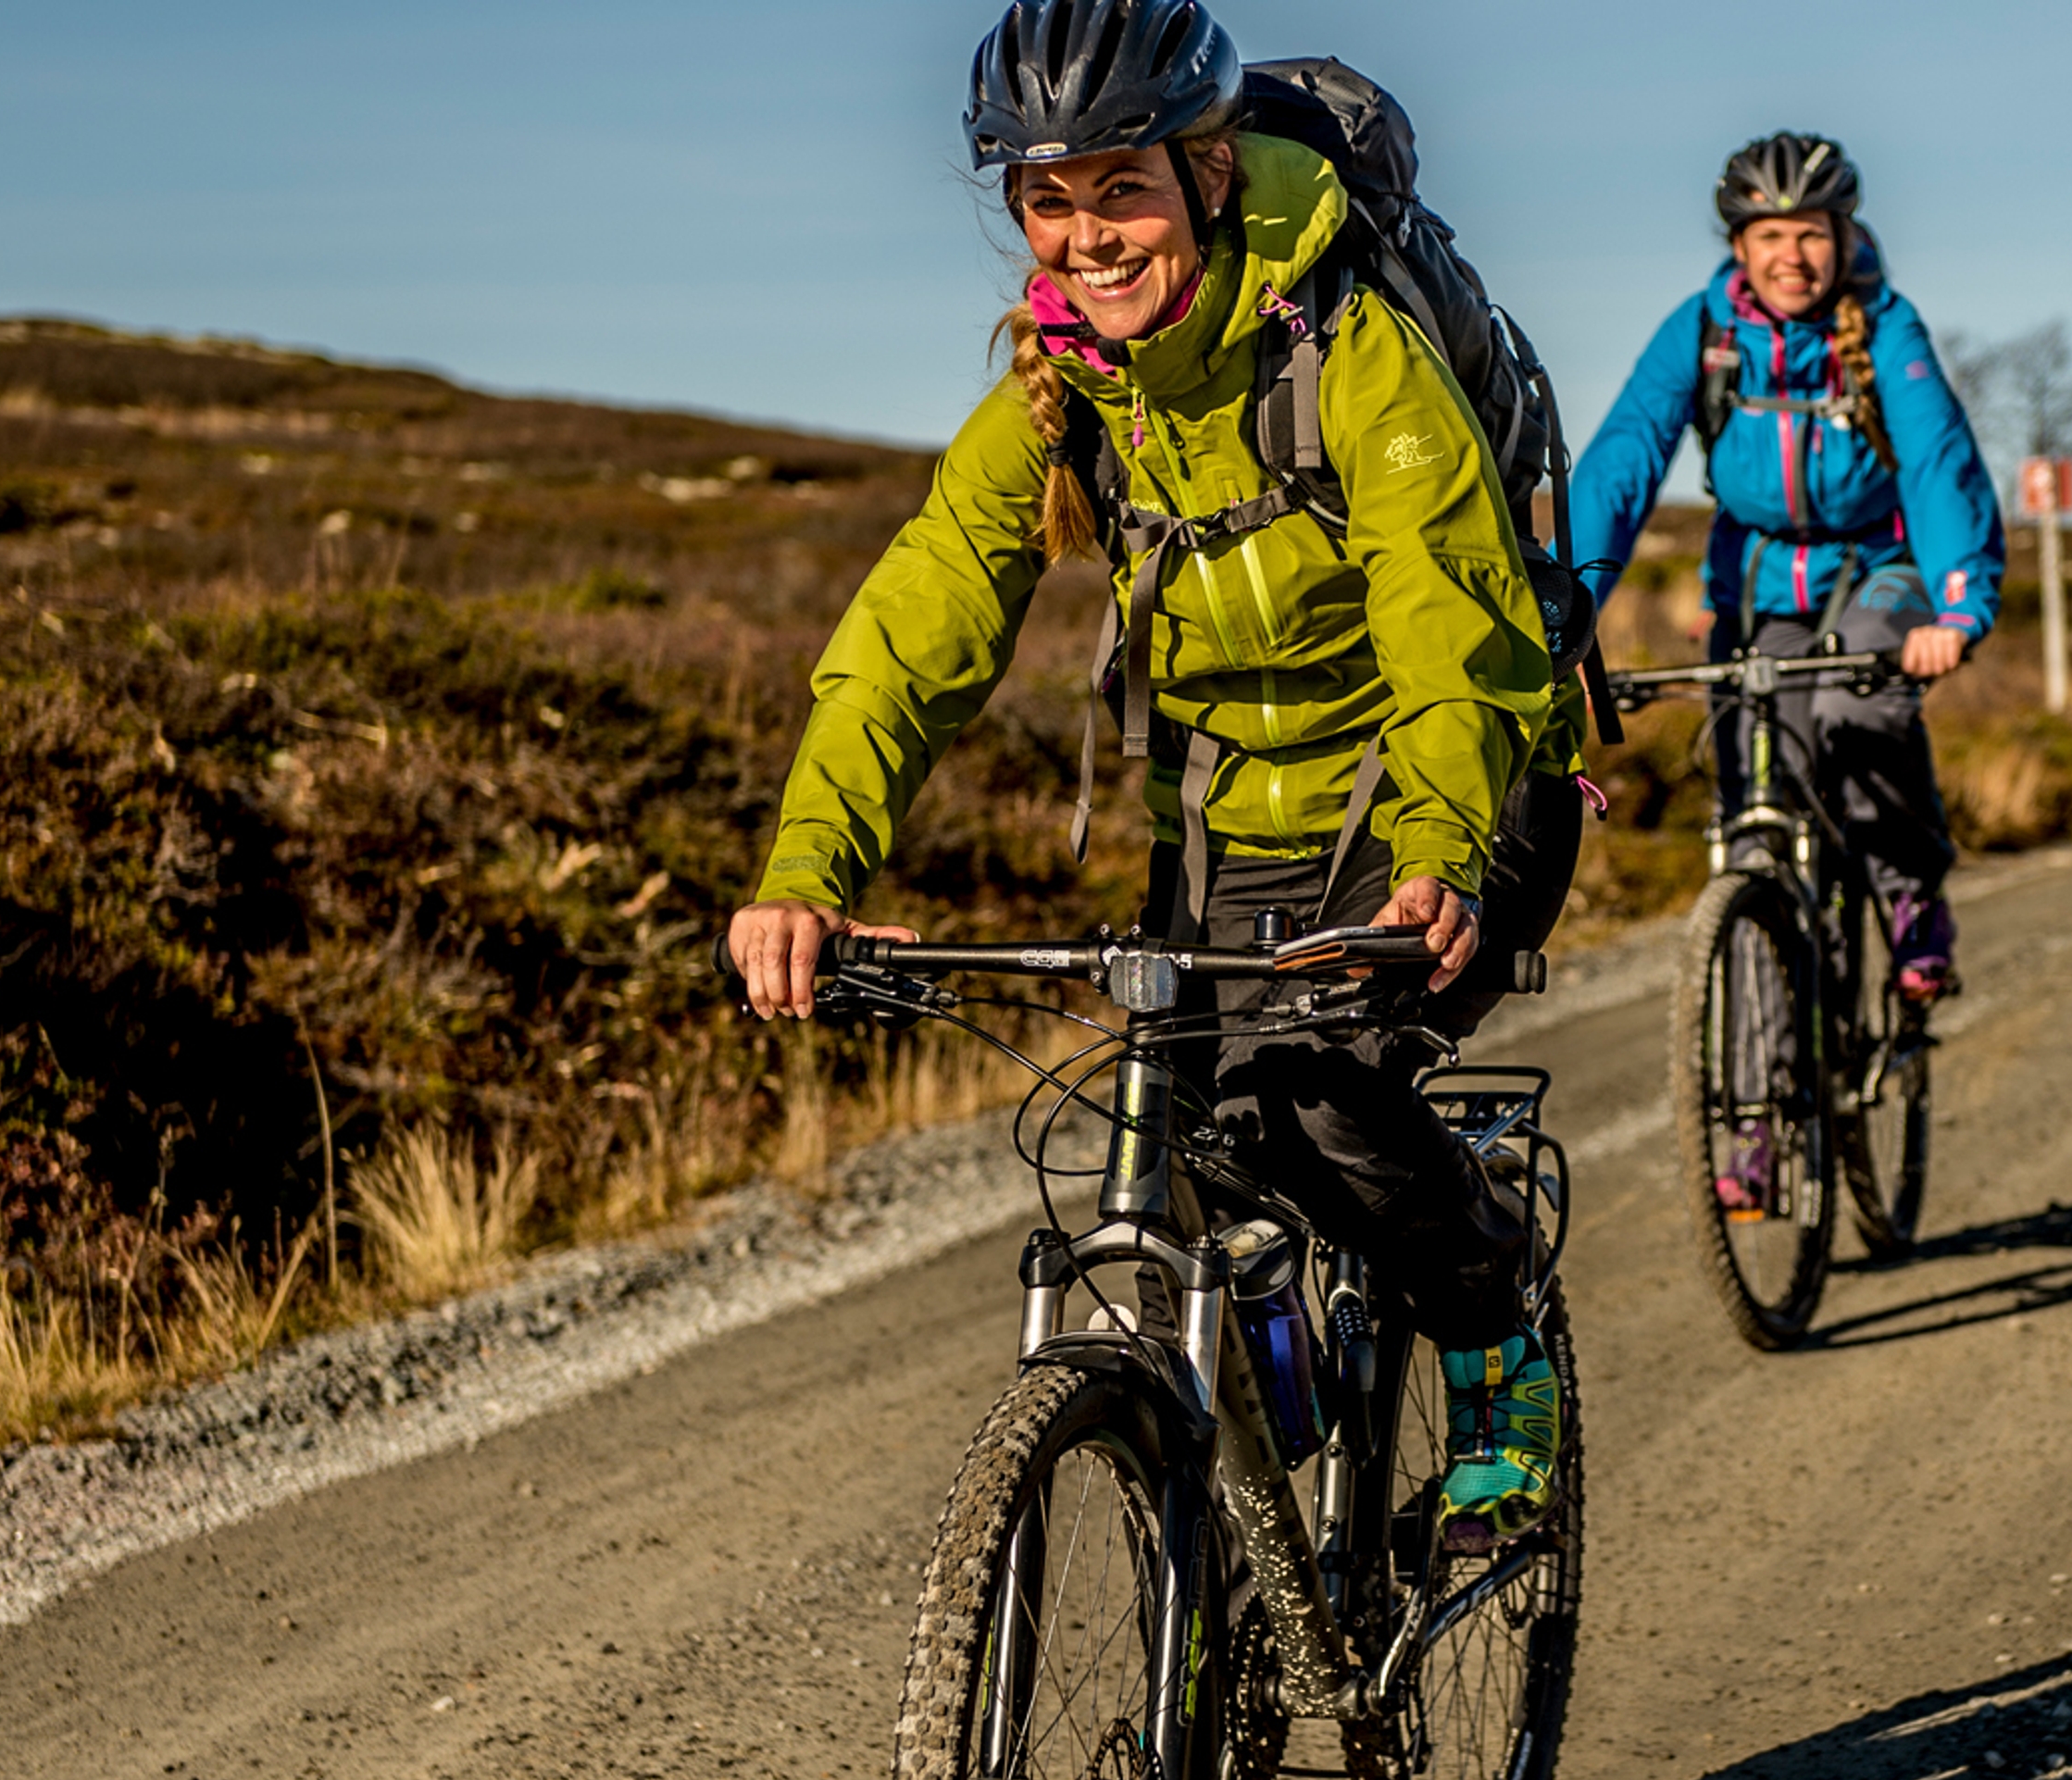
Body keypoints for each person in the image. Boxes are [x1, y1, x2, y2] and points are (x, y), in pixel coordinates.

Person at [723, 0, 1577, 1543]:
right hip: (1232, 817)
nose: (1086, 235)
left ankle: (1495, 1333)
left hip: (1459, 773)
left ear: (1206, 174)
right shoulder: (1059, 402)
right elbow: (914, 630)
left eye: (1120, 187)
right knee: (1179, 1140)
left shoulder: (1353, 352)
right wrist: (808, 872)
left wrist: (1441, 838)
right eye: (1047, 200)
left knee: (1318, 1099)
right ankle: (1266, 1511)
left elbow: (1457, 614)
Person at [1565, 129, 2003, 1212]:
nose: (1791, 256)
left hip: (1880, 569)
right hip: (1755, 590)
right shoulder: (1705, 332)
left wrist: (1957, 603)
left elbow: (1942, 462)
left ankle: (1910, 900)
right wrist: (1569, 600)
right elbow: (1627, 453)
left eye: (1809, 234)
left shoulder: (1884, 329)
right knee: (1755, 822)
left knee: (1860, 709)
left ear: (1840, 236)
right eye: (1769, 236)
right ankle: (1757, 1129)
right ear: (1739, 244)